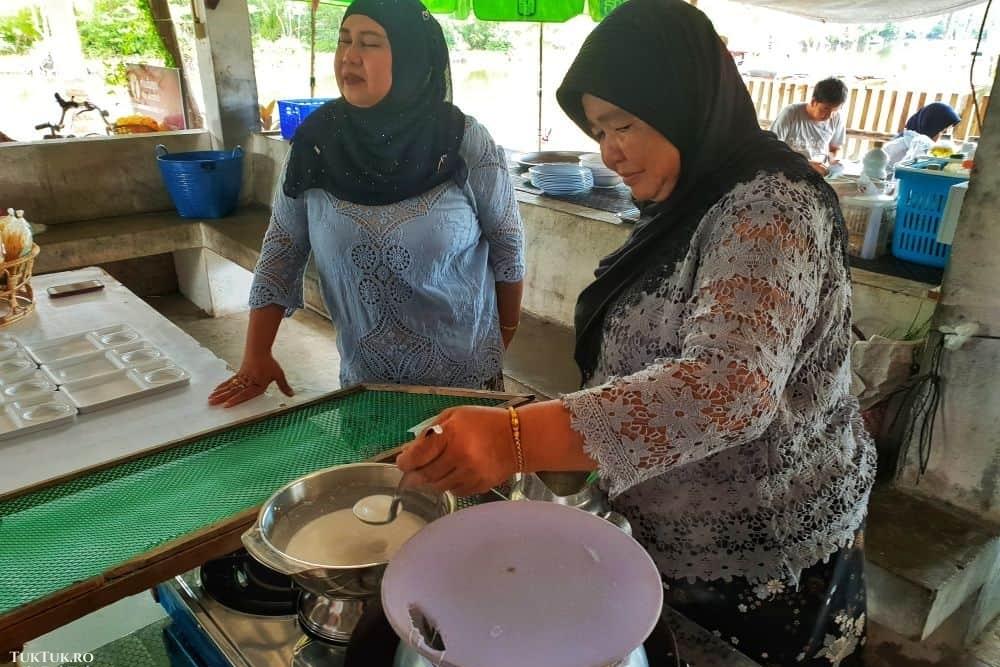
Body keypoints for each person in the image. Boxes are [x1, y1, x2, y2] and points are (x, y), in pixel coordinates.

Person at [396, 0, 875, 664]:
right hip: (662, 540)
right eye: (597, 129)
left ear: (684, 101)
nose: (610, 151)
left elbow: (729, 385)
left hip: (768, 566)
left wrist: (518, 438)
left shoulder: (770, 206)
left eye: (624, 123)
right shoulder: (688, 203)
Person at [209, 0, 524, 408]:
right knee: (374, 474)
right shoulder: (317, 143)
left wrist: (505, 333)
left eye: (370, 43)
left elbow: (508, 245)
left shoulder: (460, 140)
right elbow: (282, 248)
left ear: (411, 56)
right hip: (365, 384)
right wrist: (256, 354)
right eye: (343, 41)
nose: (349, 56)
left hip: (463, 385)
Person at [771, 77, 848, 175]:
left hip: (818, 172)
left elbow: (834, 147)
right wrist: (806, 164)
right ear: (813, 101)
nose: (829, 116)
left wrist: (833, 160)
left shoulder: (837, 118)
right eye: (825, 109)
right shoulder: (791, 113)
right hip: (788, 170)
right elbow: (773, 149)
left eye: (834, 111)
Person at [883, 102, 962, 165]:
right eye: (943, 132)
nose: (944, 139)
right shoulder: (897, 148)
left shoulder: (932, 150)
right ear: (931, 128)